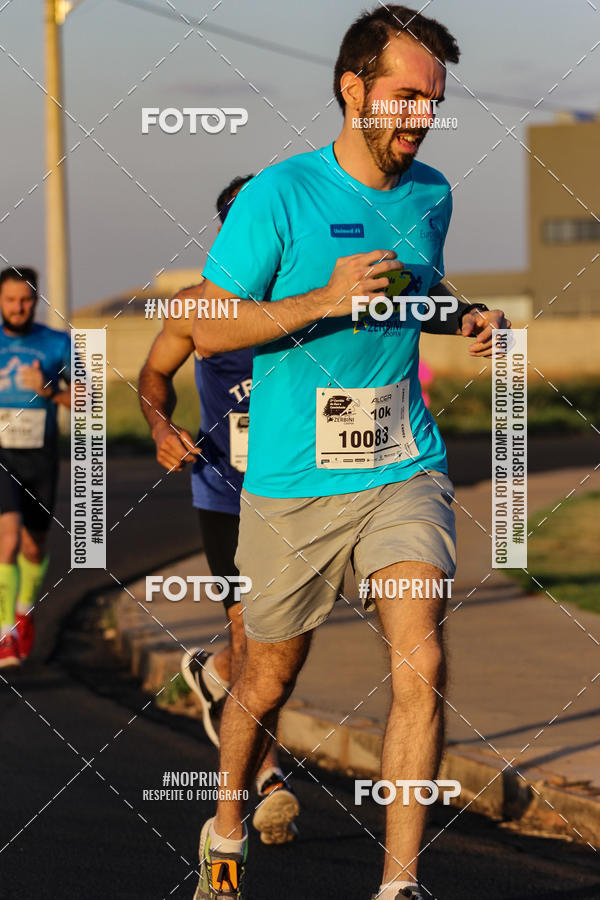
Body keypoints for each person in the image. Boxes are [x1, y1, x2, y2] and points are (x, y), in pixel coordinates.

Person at [190, 6, 511, 899]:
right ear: (352, 89)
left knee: (423, 658)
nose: (420, 117)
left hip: (401, 466)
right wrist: (322, 300)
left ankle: (398, 884)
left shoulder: (432, 194)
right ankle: (225, 824)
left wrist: (464, 312)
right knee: (267, 676)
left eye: (432, 102)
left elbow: (422, 286)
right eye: (405, 96)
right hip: (293, 483)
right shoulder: (280, 196)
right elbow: (212, 326)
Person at [139, 176, 300, 846]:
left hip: (297, 494)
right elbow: (154, 378)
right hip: (223, 493)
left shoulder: (307, 301)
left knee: (280, 656)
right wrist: (158, 426)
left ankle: (210, 676)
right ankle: (264, 779)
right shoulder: (195, 307)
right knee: (249, 637)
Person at [0, 266, 71, 668]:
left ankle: (23, 610)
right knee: (7, 539)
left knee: (32, 544)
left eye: (25, 299)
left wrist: (47, 391)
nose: (18, 307)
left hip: (40, 457)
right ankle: (4, 633)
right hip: (1, 455)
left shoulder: (57, 344)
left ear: (36, 299)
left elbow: (88, 401)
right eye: (10, 300)